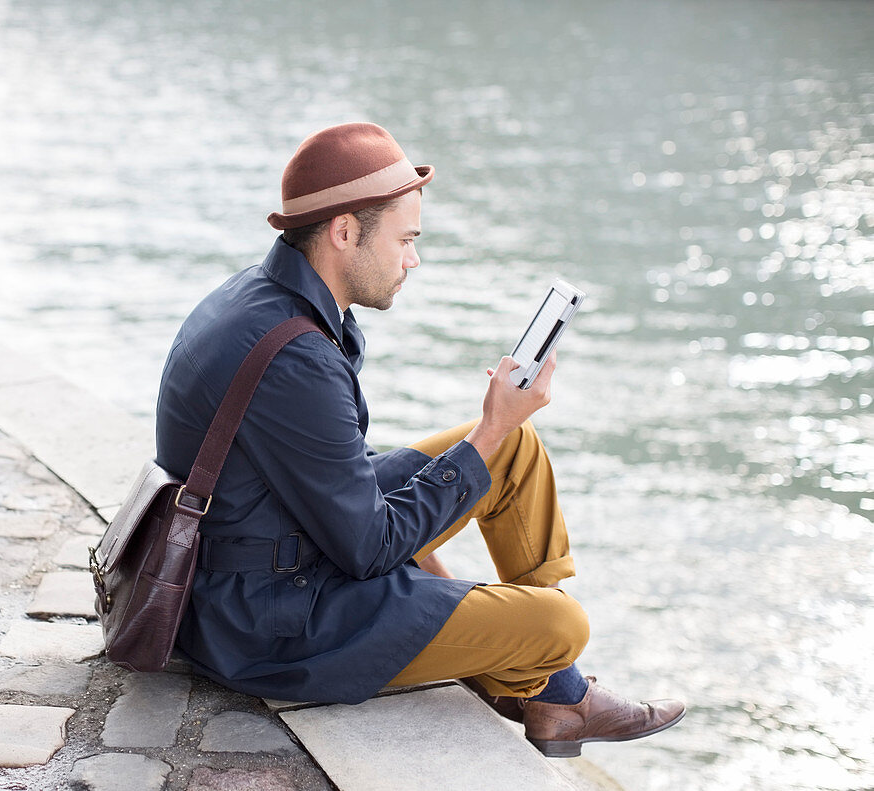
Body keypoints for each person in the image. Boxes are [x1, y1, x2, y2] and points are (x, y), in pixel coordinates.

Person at [155, 122, 685, 757]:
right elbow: (368, 548)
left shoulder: (260, 299)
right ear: (344, 230)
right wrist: (491, 426)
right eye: (405, 239)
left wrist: (494, 446)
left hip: (280, 546)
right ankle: (553, 685)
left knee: (516, 450)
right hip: (270, 621)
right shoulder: (294, 357)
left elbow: (331, 483)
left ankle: (552, 689)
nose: (413, 259)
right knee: (559, 621)